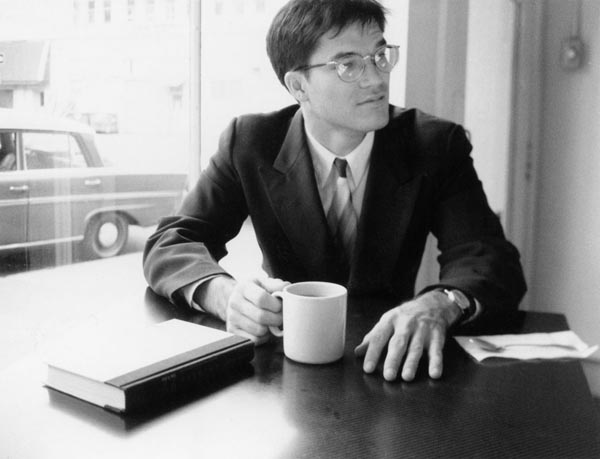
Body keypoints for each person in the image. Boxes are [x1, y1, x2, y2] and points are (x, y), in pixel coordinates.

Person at [143, 0, 526, 382]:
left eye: (379, 57)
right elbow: (171, 242)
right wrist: (225, 296)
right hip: (281, 367)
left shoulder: (435, 144)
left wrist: (441, 302)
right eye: (348, 65)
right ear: (299, 86)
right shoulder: (251, 142)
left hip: (392, 366)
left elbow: (490, 259)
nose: (376, 79)